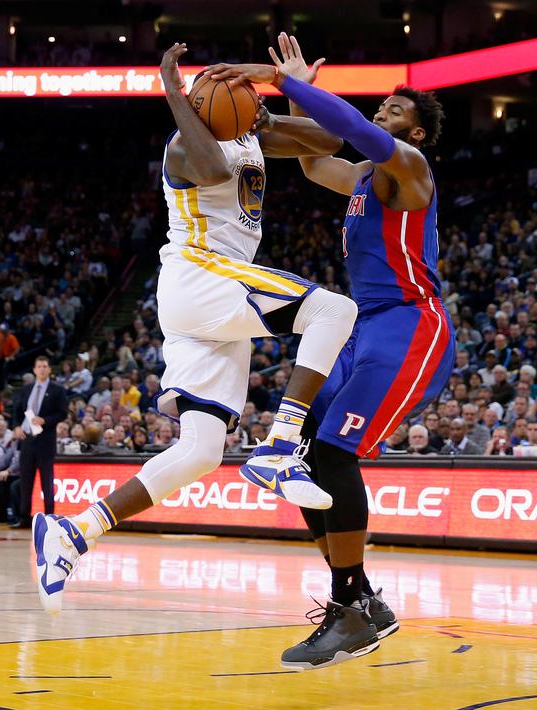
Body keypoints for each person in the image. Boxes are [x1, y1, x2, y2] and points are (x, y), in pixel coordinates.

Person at [30, 42, 355, 615]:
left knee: (202, 450)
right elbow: (210, 168)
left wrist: (289, 92)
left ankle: (74, 532)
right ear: (207, 105)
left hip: (209, 297)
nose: (248, 101)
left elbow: (329, 142)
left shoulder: (255, 131)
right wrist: (177, 94)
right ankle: (281, 444)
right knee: (333, 310)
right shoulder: (184, 144)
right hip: (200, 276)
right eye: (238, 96)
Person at [212, 33, 454, 669]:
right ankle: (363, 599)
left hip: (409, 325)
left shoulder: (409, 170)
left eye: (398, 111)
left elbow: (349, 129)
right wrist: (256, 120)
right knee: (303, 458)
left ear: (418, 134)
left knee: (332, 451)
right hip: (365, 328)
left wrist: (280, 79)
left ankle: (348, 609)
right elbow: (318, 156)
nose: (384, 114)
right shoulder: (359, 179)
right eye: (383, 107)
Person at [10, 357, 68, 527]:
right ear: (34, 370)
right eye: (39, 367)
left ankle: (50, 518)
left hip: (45, 440)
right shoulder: (27, 389)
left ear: (49, 369)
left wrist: (46, 420)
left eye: (45, 366)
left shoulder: (57, 390)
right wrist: (16, 427)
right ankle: (24, 517)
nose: (42, 369)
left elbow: (62, 413)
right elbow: (17, 411)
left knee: (47, 481)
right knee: (26, 480)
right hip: (27, 439)